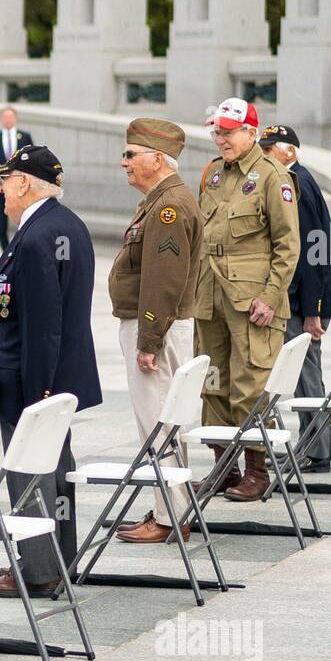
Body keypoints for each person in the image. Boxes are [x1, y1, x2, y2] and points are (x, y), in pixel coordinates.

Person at [0, 145, 102, 597]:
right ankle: (58, 560)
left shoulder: (35, 237)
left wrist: (37, 393)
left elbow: (43, 325)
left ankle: (38, 570)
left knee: (30, 472)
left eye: (5, 180)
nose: (0, 189)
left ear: (25, 183)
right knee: (56, 471)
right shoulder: (65, 225)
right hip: (56, 380)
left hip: (34, 382)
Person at [195, 97, 300, 502]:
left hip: (252, 300)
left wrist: (271, 296)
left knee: (250, 384)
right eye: (217, 131)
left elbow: (288, 246)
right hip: (211, 295)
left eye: (228, 131)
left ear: (251, 133)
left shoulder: (274, 177)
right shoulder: (215, 175)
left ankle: (257, 470)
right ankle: (224, 467)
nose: (220, 138)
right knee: (213, 383)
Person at [108, 118, 203, 544]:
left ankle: (170, 518)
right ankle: (171, 509)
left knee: (158, 425)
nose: (123, 161)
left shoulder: (169, 207)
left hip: (157, 332)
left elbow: (163, 282)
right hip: (160, 330)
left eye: (131, 154)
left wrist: (148, 341)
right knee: (163, 422)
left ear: (157, 158)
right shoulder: (160, 201)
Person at [259, 125, 331, 473]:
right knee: (303, 374)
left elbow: (315, 253)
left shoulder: (299, 184)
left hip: (309, 300)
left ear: (290, 152)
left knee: (307, 376)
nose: (265, 155)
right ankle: (311, 445)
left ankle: (317, 451)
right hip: (302, 299)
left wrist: (313, 312)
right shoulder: (289, 181)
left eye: (270, 149)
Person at [0, 106, 34, 251]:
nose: (8, 119)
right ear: (1, 119)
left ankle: (22, 248)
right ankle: (6, 251)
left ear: (15, 118)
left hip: (22, 187)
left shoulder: (25, 136)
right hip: (0, 188)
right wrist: (0, 170)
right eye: (5, 117)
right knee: (1, 221)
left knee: (25, 219)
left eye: (11, 117)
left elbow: (33, 159)